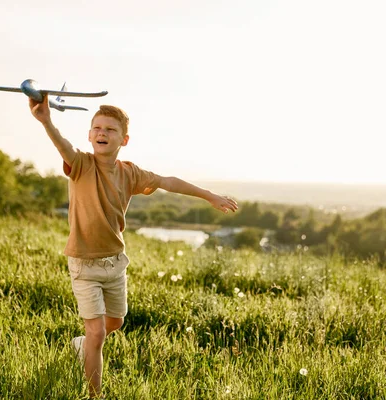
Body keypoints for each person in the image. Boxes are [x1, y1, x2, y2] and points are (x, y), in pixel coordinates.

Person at [29, 95, 238, 398]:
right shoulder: (81, 165)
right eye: (97, 128)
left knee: (115, 322)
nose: (102, 133)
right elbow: (64, 146)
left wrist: (209, 196)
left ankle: (82, 346)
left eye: (110, 130)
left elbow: (169, 182)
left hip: (115, 262)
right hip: (83, 263)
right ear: (89, 135)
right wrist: (46, 120)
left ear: (124, 139)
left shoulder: (130, 172)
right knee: (97, 332)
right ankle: (94, 395)